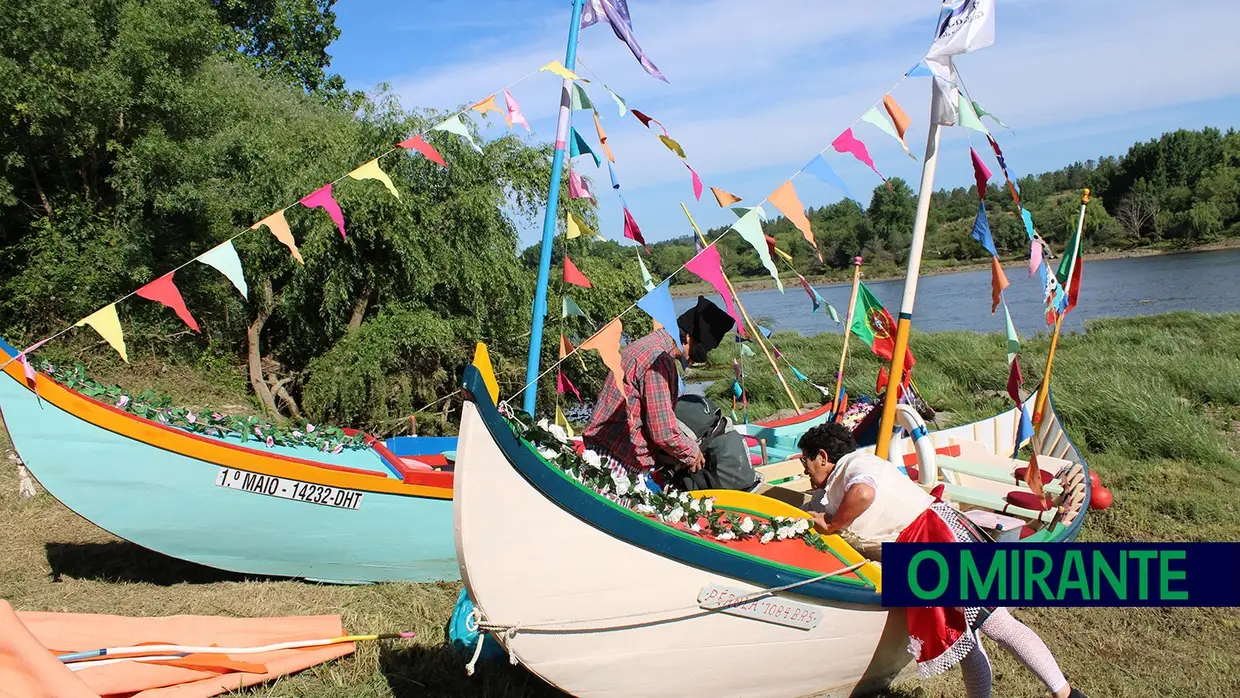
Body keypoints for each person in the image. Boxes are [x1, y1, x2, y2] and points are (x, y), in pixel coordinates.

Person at [796, 423, 1087, 698]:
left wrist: (832, 524)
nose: (805, 470)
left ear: (822, 457)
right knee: (965, 639)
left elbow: (863, 493)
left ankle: (1066, 694)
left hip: (931, 539)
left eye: (806, 463)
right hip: (913, 550)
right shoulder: (846, 473)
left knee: (994, 622)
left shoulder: (855, 466)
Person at [583, 328, 704, 479]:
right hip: (615, 462)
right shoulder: (658, 359)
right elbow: (663, 430)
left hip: (603, 450)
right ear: (687, 337)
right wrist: (692, 452)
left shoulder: (644, 345)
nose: (693, 360)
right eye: (699, 347)